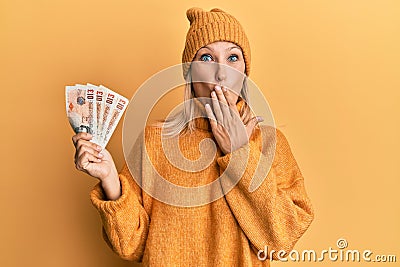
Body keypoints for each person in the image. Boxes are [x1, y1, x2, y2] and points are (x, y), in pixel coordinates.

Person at [72, 7, 314, 266]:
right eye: (207, 58)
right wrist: (111, 180)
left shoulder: (269, 143)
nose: (222, 73)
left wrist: (240, 153)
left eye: (233, 57)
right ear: (189, 73)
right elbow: (131, 245)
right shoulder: (155, 142)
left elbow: (282, 241)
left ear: (245, 72)